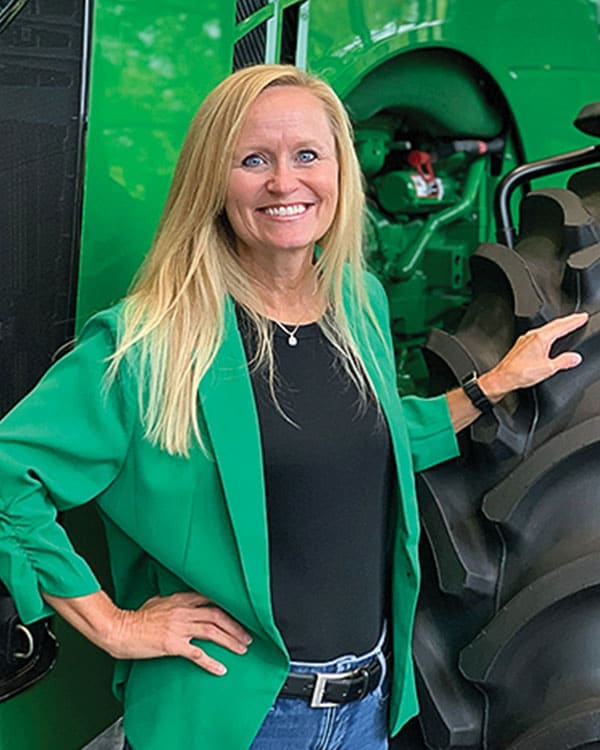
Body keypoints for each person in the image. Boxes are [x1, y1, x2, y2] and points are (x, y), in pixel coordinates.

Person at [0, 64, 587, 750]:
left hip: (365, 709)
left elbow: (360, 441)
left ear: (341, 168)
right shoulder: (148, 341)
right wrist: (112, 622)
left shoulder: (356, 301)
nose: (285, 183)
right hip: (237, 720)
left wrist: (491, 385)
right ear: (212, 183)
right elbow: (11, 472)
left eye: (307, 154)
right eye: (254, 160)